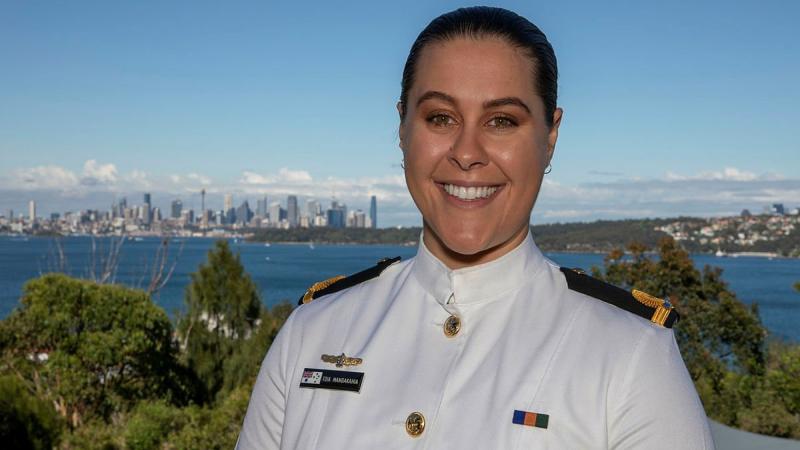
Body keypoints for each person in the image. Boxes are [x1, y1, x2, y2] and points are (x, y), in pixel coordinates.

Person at [237, 6, 715, 449]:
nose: (466, 152)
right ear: (403, 127)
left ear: (550, 137)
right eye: (440, 117)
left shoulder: (630, 354)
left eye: (502, 120)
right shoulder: (312, 331)